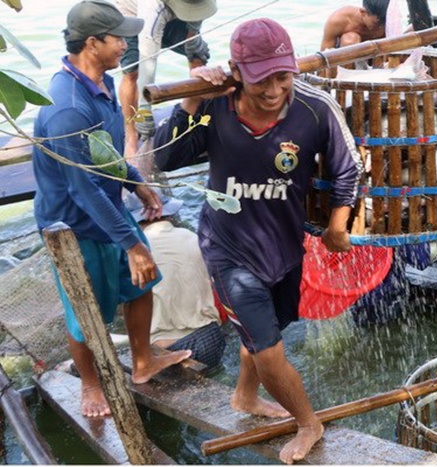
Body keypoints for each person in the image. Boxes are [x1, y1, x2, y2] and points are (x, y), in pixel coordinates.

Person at [153, 18, 361, 464]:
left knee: (271, 328)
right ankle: (310, 422)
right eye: (260, 79)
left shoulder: (314, 107)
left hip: (284, 245)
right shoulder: (215, 107)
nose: (272, 90)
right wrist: (191, 100)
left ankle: (244, 397)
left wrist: (339, 224)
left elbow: (349, 167)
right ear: (235, 71)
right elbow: (164, 157)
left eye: (281, 77)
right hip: (228, 247)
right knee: (268, 350)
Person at [32, 0, 191, 418]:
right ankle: (90, 384)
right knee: (87, 308)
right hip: (72, 224)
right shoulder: (67, 107)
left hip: (108, 204)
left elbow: (104, 153)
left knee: (142, 280)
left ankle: (142, 362)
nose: (125, 44)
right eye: (117, 37)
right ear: (92, 43)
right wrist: (131, 244)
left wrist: (134, 182)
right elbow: (82, 190)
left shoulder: (99, 85)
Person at [124, 190, 226, 368]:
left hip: (170, 348)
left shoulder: (132, 254)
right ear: (168, 213)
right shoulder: (193, 237)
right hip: (213, 339)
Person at [115, 0, 217, 159]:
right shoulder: (152, 8)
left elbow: (198, 12)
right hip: (134, 15)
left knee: (198, 56)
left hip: (176, 14)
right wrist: (144, 109)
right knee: (132, 73)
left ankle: (196, 124)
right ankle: (131, 138)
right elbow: (147, 61)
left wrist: (193, 37)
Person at [320, 0, 390, 50]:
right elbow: (325, 52)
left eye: (383, 23)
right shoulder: (338, 20)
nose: (381, 27)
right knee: (350, 39)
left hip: (377, 59)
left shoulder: (391, 20)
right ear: (363, 13)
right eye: (376, 24)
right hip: (346, 59)